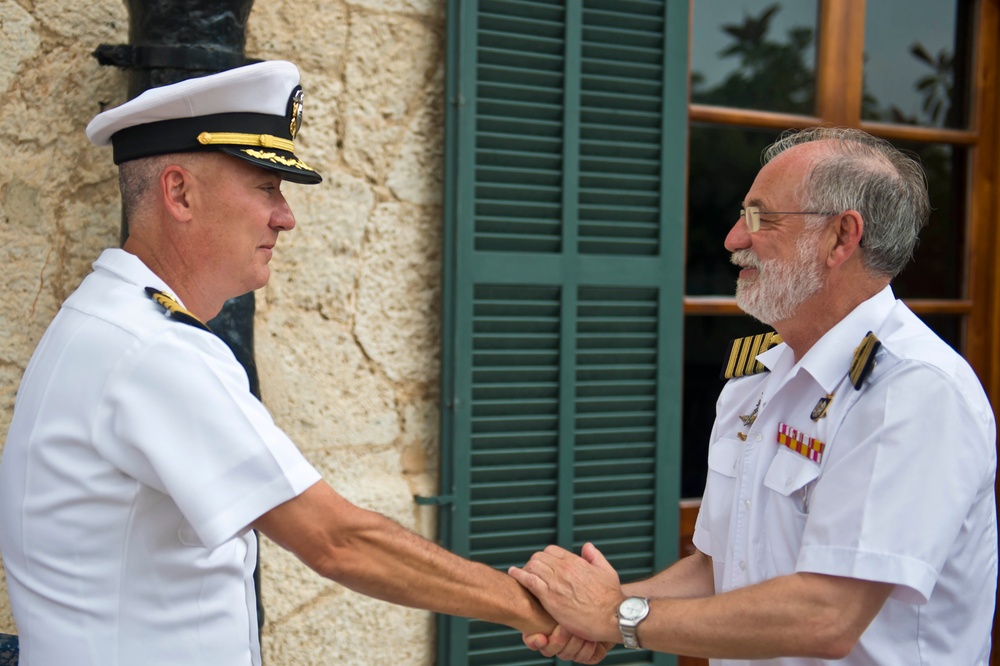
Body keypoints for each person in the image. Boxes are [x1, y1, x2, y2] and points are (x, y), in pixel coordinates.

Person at [0, 60, 608, 666]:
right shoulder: (152, 348)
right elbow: (337, 540)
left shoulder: (110, 319)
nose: (285, 216)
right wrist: (547, 608)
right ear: (179, 192)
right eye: (266, 186)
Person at [509, 127, 998, 664]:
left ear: (841, 237)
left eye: (760, 217)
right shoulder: (756, 378)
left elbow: (828, 615)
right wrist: (602, 607)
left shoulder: (913, 390)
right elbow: (720, 566)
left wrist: (616, 618)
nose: (733, 239)